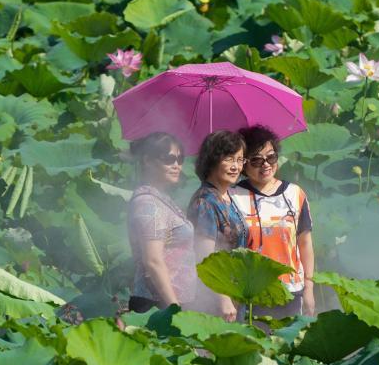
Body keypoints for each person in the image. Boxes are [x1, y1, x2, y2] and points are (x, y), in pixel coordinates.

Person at [231, 125, 316, 318]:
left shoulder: (295, 194)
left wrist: (309, 287)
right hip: (249, 292)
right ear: (244, 164)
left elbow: (305, 243)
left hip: (291, 289)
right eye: (256, 160)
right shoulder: (232, 196)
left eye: (271, 157)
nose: (266, 165)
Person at [126, 132, 197, 313]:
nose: (176, 166)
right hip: (158, 303)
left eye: (180, 159)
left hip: (173, 300)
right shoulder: (147, 203)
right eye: (168, 159)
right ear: (147, 160)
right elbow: (153, 261)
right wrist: (174, 308)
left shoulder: (161, 199)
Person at [187, 130, 248, 321]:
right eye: (229, 159)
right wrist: (222, 298)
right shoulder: (205, 202)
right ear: (212, 160)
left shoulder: (227, 197)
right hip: (216, 296)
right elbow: (205, 256)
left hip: (235, 290)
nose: (236, 166)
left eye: (240, 160)